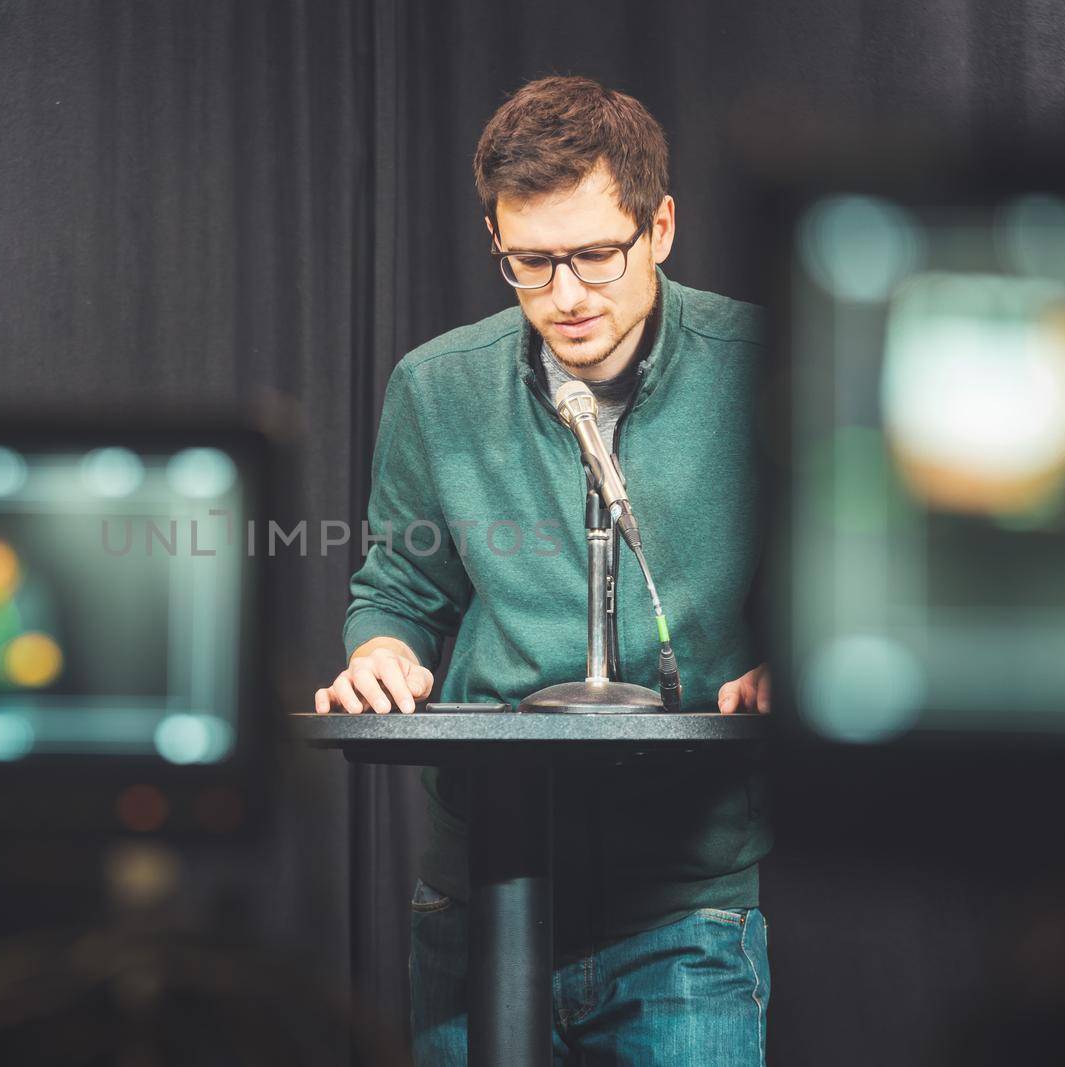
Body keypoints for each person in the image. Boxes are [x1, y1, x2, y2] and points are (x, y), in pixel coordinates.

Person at [313, 76, 773, 1064]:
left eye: (595, 255)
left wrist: (789, 662)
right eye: (529, 263)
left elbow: (830, 583)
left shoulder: (761, 367)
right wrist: (382, 651)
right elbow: (398, 587)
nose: (564, 296)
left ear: (660, 227)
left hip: (684, 912)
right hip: (475, 897)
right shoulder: (435, 387)